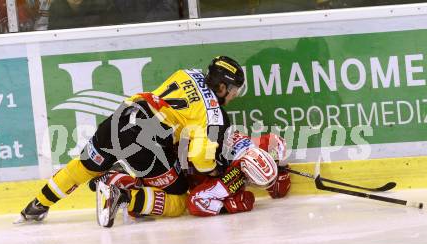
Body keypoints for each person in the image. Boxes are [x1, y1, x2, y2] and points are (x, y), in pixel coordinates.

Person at [15, 56, 246, 224]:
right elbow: (201, 159)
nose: (235, 95)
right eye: (234, 89)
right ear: (223, 86)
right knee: (178, 200)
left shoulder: (189, 72)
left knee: (84, 166)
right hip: (147, 141)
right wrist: (216, 170)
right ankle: (123, 194)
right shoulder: (214, 115)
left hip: (123, 115)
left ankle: (37, 205)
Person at [94, 131, 291, 227]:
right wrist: (228, 206)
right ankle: (121, 186)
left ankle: (119, 180)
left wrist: (280, 166)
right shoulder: (231, 179)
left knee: (158, 196)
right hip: (173, 160)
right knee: (176, 204)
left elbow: (276, 142)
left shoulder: (250, 147)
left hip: (176, 146)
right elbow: (196, 202)